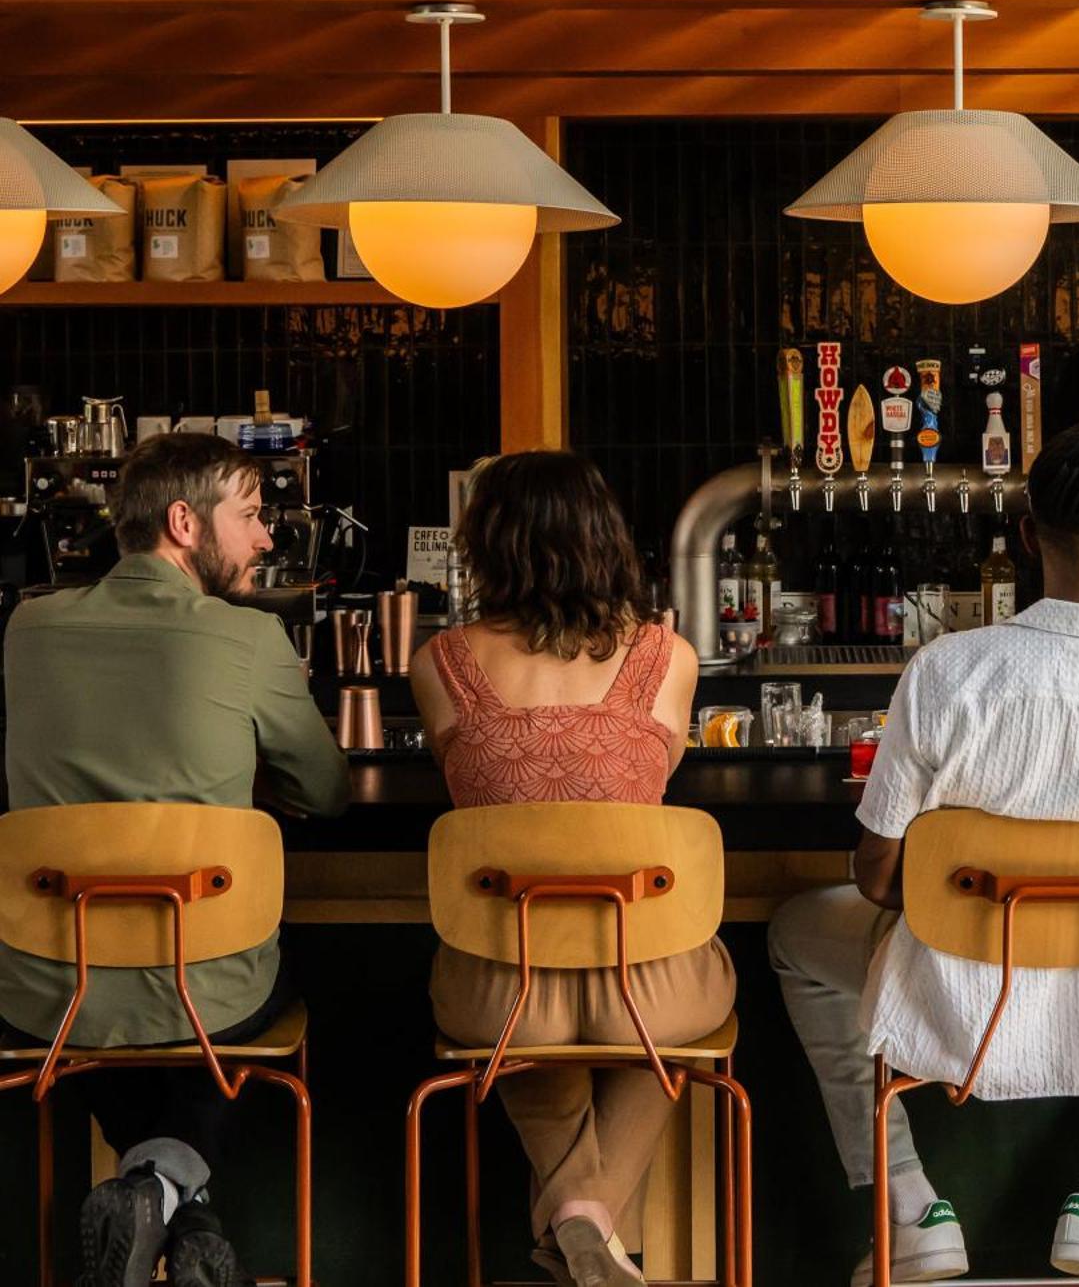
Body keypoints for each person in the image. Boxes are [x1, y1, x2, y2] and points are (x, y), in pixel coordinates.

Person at [766, 415, 1079, 1287]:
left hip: (961, 999)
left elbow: (878, 877)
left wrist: (981, 896)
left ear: (1030, 538)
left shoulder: (946, 672)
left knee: (793, 935)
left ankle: (910, 1208)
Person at [0, 431, 349, 1287]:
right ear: (186, 522)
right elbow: (328, 792)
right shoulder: (248, 638)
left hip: (48, 981)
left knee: (115, 1007)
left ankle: (157, 1202)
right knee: (221, 981)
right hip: (206, 985)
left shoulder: (27, 626)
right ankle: (167, 1191)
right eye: (254, 516)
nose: (268, 540)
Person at [410, 449, 730, 1287]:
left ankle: (577, 1220)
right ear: (606, 540)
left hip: (503, 995)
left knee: (521, 1008)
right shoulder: (670, 659)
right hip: (647, 994)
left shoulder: (441, 663)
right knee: (679, 1034)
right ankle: (589, 1221)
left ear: (486, 544)